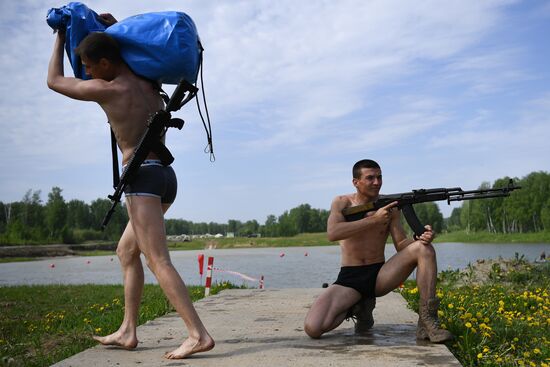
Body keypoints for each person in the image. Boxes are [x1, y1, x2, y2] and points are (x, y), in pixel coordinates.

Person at [46, 14, 214, 359]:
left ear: (106, 63)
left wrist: (60, 36)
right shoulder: (149, 81)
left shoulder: (108, 89)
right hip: (165, 177)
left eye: (90, 66)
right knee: (126, 252)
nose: (88, 72)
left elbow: (54, 81)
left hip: (142, 178)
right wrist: (113, 30)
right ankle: (128, 330)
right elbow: (132, 51)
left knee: (158, 260)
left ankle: (198, 334)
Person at [303, 159, 452, 343]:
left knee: (424, 249)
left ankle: (427, 322)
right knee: (313, 328)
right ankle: (358, 307)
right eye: (370, 178)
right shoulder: (342, 203)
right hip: (350, 279)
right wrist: (373, 220)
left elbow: (401, 244)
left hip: (380, 275)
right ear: (355, 182)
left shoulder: (389, 206)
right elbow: (333, 233)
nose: (377, 182)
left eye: (379, 177)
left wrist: (419, 239)